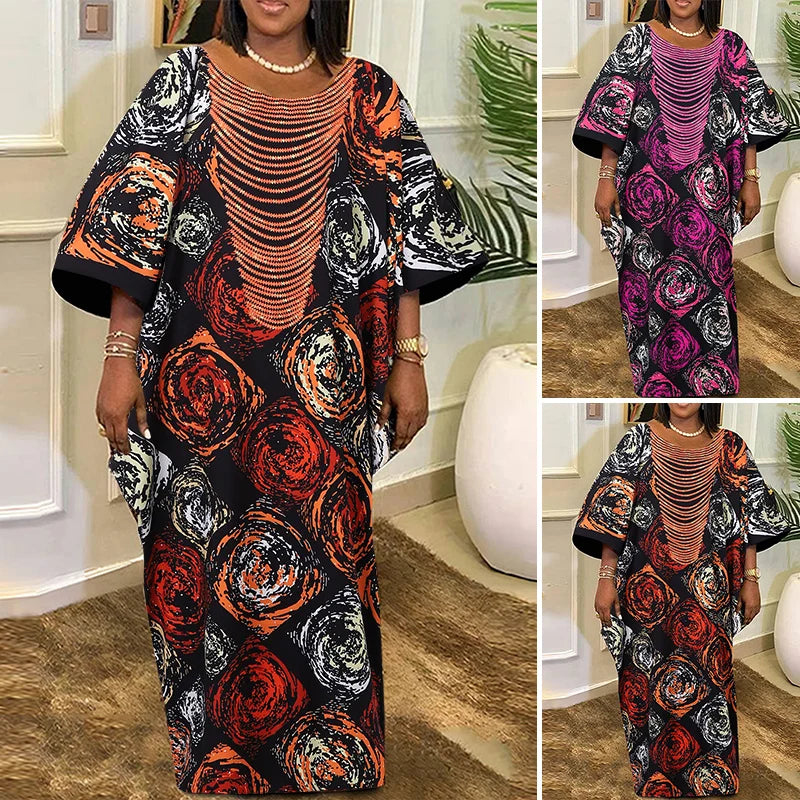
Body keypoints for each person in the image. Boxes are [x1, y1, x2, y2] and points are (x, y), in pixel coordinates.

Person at [50, 0, 488, 793]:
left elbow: (406, 240)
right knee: (204, 558)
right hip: (200, 384)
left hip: (328, 388)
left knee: (329, 561)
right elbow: (131, 228)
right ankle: (223, 757)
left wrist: (410, 358)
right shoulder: (185, 82)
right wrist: (118, 357)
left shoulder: (372, 96)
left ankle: (329, 752)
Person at [573, 403, 793, 797]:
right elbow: (611, 516)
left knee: (711, 681)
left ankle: (712, 776)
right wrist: (606, 579)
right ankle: (658, 779)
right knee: (648, 679)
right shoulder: (639, 441)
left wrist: (752, 579)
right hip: (646, 592)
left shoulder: (732, 448)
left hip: (711, 594)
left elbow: (751, 522)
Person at [572, 0, 789, 397]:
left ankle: (712, 377)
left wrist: (751, 179)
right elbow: (613, 115)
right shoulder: (638, 41)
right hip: (646, 191)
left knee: (711, 282)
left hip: (710, 193)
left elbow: (749, 121)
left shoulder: (732, 48)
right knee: (647, 280)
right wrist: (605, 178)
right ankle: (658, 379)